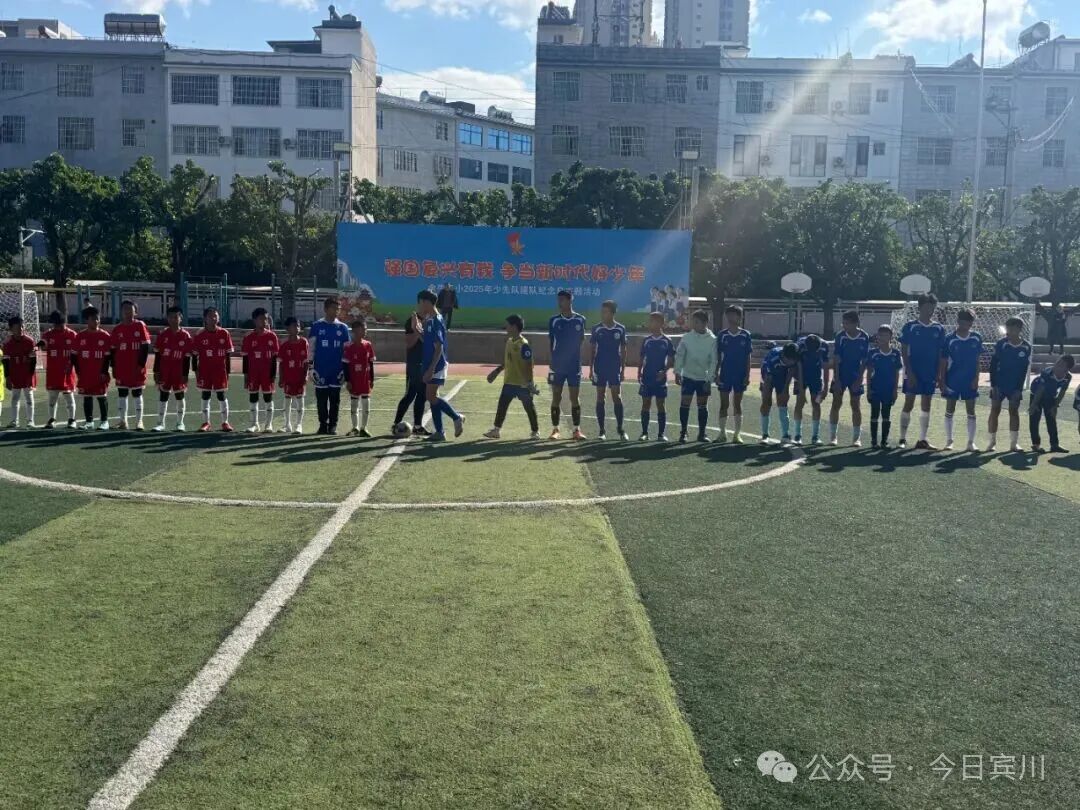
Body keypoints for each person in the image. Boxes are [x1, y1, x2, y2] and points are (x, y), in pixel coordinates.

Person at [899, 294, 947, 449]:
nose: (930, 310)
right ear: (919, 307)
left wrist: (939, 375)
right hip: (913, 372)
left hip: (930, 373)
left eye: (932, 307)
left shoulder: (939, 328)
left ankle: (922, 439)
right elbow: (904, 352)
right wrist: (909, 372)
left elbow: (940, 353)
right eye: (927, 307)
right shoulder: (910, 326)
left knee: (926, 405)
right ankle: (902, 439)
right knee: (909, 403)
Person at [417, 289, 465, 441]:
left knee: (430, 396)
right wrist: (418, 330)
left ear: (426, 302)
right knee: (433, 397)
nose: (419, 306)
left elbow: (438, 347)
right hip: (430, 363)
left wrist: (431, 368)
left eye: (420, 302)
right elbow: (428, 341)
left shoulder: (436, 320)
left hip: (437, 364)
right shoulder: (430, 319)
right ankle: (440, 432)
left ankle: (456, 417)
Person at [484, 314, 541, 439]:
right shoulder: (509, 342)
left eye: (508, 325)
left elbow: (528, 365)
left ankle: (535, 431)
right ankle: (496, 430)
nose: (506, 328)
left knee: (529, 407)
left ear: (514, 327)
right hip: (509, 382)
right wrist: (497, 371)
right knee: (502, 406)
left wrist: (530, 384)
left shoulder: (524, 344)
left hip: (522, 384)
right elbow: (508, 361)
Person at [940, 309, 983, 452]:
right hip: (953, 379)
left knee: (971, 410)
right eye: (965, 322)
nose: (967, 325)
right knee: (950, 409)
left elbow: (977, 360)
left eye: (970, 322)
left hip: (969, 380)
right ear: (958, 321)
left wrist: (976, 378)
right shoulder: (949, 339)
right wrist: (942, 381)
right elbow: (943, 362)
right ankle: (949, 441)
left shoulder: (976, 337)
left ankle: (971, 442)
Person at [987, 317, 1032, 453]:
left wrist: (1019, 388)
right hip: (999, 384)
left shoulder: (1026, 346)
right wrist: (994, 385)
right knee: (995, 410)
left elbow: (1024, 369)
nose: (1010, 331)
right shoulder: (1001, 344)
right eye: (1008, 328)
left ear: (1020, 329)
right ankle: (991, 442)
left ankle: (1014, 443)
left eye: (1013, 328)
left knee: (1014, 411)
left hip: (1014, 386)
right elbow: (993, 365)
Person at [548, 290, 587, 441]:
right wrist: (554, 360)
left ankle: (576, 430)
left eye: (562, 300)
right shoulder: (554, 320)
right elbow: (552, 343)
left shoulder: (580, 320)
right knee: (556, 396)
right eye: (558, 300)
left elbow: (581, 340)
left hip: (574, 365)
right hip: (557, 365)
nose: (560, 303)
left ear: (570, 301)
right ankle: (555, 429)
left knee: (574, 397)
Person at [308, 297, 351, 435]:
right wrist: (310, 368)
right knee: (321, 400)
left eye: (338, 309)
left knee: (335, 399)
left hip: (337, 370)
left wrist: (345, 370)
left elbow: (347, 351)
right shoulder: (316, 326)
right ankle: (322, 425)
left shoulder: (343, 328)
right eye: (333, 308)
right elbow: (311, 349)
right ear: (326, 309)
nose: (336, 311)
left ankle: (333, 426)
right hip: (321, 370)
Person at [674, 309, 717, 443]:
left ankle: (702, 434)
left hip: (703, 378)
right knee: (685, 403)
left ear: (704, 323)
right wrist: (677, 371)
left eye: (696, 322)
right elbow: (680, 355)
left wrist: (709, 379)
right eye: (693, 321)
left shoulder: (712, 340)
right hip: (688, 376)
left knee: (702, 405)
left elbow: (714, 361)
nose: (693, 324)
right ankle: (683, 432)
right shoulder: (687, 337)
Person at [828, 311, 870, 447]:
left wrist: (859, 379)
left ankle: (856, 438)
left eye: (847, 323)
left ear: (855, 323)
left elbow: (864, 360)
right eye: (843, 323)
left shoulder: (864, 336)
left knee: (855, 405)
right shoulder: (840, 336)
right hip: (841, 374)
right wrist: (837, 379)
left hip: (855, 375)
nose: (844, 326)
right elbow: (836, 358)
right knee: (836, 403)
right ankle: (833, 436)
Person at [589, 300, 628, 441]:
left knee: (617, 396)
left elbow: (624, 350)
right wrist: (590, 369)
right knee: (600, 396)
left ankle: (620, 429)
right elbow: (592, 349)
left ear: (612, 313)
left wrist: (623, 370)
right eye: (602, 311)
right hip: (600, 367)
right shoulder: (596, 328)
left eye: (605, 312)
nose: (602, 314)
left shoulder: (621, 329)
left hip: (614, 367)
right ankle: (602, 431)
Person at [111, 300, 152, 431]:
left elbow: (145, 347)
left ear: (135, 312)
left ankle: (139, 422)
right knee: (122, 393)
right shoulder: (117, 329)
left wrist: (141, 364)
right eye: (125, 309)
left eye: (130, 309)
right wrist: (113, 366)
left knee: (137, 392)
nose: (127, 311)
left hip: (136, 367)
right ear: (121, 312)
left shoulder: (140, 325)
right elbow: (113, 350)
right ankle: (123, 421)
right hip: (122, 367)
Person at [193, 306, 234, 433]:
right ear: (205, 318)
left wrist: (228, 372)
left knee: (221, 395)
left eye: (215, 315)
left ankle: (225, 422)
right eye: (210, 316)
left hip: (220, 370)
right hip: (204, 370)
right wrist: (196, 371)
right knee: (205, 395)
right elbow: (194, 355)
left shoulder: (224, 333)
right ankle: (206, 423)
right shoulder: (199, 334)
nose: (213, 318)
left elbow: (228, 355)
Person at [152, 305, 194, 432]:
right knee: (163, 395)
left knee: (179, 396)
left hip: (179, 371)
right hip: (165, 371)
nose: (173, 320)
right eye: (170, 317)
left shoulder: (186, 336)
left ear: (181, 318)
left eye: (176, 317)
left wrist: (185, 374)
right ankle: (160, 423)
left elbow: (187, 357)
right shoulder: (162, 334)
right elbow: (158, 355)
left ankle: (180, 423)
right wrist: (156, 371)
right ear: (167, 318)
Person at [715, 305, 753, 444]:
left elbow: (748, 357)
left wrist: (747, 375)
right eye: (729, 315)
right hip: (725, 373)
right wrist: (716, 373)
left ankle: (737, 435)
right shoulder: (722, 335)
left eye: (734, 315)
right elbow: (718, 356)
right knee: (723, 404)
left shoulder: (745, 335)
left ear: (740, 317)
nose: (731, 317)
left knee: (737, 403)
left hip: (740, 374)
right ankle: (722, 433)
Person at [72, 305, 112, 430]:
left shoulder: (105, 336)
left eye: (98, 318)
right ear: (87, 320)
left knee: (101, 396)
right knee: (87, 396)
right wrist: (78, 371)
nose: (96, 321)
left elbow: (108, 356)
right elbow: (74, 355)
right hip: (85, 373)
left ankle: (104, 421)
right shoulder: (80, 336)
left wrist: (104, 371)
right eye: (93, 319)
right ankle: (89, 421)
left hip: (99, 373)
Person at [242, 307, 280, 434]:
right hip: (253, 373)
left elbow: (274, 357)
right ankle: (254, 424)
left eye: (266, 318)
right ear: (254, 320)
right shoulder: (248, 337)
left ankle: (268, 425)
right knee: (253, 397)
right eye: (261, 319)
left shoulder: (272, 336)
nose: (264, 321)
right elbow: (245, 358)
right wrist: (246, 376)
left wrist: (273, 374)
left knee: (268, 397)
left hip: (267, 373)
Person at [638, 312, 675, 442]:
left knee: (661, 405)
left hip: (660, 379)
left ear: (660, 323)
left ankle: (661, 434)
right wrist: (639, 372)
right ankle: (644, 433)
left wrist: (664, 371)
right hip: (647, 377)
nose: (650, 323)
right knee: (645, 404)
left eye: (652, 321)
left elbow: (671, 360)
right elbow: (641, 357)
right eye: (650, 321)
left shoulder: (667, 341)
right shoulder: (646, 340)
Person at [391, 309, 429, 436]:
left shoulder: (431, 321)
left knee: (422, 396)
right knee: (410, 395)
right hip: (414, 364)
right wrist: (416, 329)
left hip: (426, 365)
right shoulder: (411, 321)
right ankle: (396, 424)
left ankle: (418, 426)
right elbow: (409, 343)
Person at [38, 311, 78, 429]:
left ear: (63, 323)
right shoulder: (48, 334)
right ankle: (52, 419)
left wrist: (73, 366)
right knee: (52, 397)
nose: (56, 326)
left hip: (67, 371)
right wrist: (40, 345)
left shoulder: (72, 335)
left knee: (68, 396)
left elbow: (76, 353)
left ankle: (72, 420)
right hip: (53, 371)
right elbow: (43, 345)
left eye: (58, 324)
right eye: (54, 324)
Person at [866, 326, 903, 449]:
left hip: (888, 389)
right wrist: (868, 390)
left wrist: (895, 390)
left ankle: (884, 441)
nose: (881, 337)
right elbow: (869, 372)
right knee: (874, 414)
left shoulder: (895, 353)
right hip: (875, 389)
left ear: (890, 337)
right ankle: (874, 441)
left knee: (886, 415)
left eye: (885, 335)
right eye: (880, 335)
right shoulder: (872, 353)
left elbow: (897, 373)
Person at [1029, 355, 1074, 452]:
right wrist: (1033, 404)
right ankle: (1036, 444)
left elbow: (1062, 392)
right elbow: (1041, 389)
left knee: (1051, 419)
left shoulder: (1068, 377)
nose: (1057, 365)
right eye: (1058, 362)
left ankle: (1054, 445)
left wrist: (1055, 405)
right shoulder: (1047, 372)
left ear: (1067, 369)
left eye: (1061, 364)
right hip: (1036, 394)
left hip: (1050, 396)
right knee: (1034, 419)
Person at [759, 343, 802, 443]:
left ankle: (785, 435)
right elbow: (768, 379)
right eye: (791, 360)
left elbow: (791, 371)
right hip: (767, 376)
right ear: (784, 356)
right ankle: (765, 435)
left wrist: (785, 389)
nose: (793, 362)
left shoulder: (793, 358)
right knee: (766, 403)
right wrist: (766, 395)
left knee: (783, 403)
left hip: (782, 376)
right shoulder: (773, 359)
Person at [793, 334, 830, 445]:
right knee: (799, 402)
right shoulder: (799, 346)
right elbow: (798, 366)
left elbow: (826, 367)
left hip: (816, 376)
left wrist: (826, 387)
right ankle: (797, 435)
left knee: (816, 403)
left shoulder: (824, 346)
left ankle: (815, 436)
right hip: (801, 375)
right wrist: (801, 390)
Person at [343, 320, 376, 437]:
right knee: (354, 404)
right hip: (354, 380)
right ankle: (355, 427)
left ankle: (364, 428)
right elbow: (345, 365)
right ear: (355, 331)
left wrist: (372, 379)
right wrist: (348, 381)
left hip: (365, 379)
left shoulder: (368, 345)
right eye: (364, 329)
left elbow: (371, 363)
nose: (366, 331)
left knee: (366, 403)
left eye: (366, 329)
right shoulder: (348, 346)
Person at [2, 316, 37, 428]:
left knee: (29, 397)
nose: (20, 329)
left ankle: (30, 421)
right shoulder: (7, 343)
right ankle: (14, 421)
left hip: (27, 374)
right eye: (17, 327)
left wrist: (31, 375)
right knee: (15, 398)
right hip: (15, 374)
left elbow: (33, 360)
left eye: (22, 326)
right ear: (11, 329)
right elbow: (6, 362)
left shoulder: (29, 341)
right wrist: (7, 377)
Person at [278, 317, 309, 434]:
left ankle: (299, 425)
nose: (296, 328)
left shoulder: (304, 342)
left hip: (300, 376)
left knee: (300, 399)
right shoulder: (284, 344)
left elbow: (306, 361)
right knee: (287, 399)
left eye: (298, 325)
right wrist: (281, 378)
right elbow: (281, 363)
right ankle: (287, 425)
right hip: (288, 377)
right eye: (294, 325)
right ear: (287, 328)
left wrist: (305, 375)